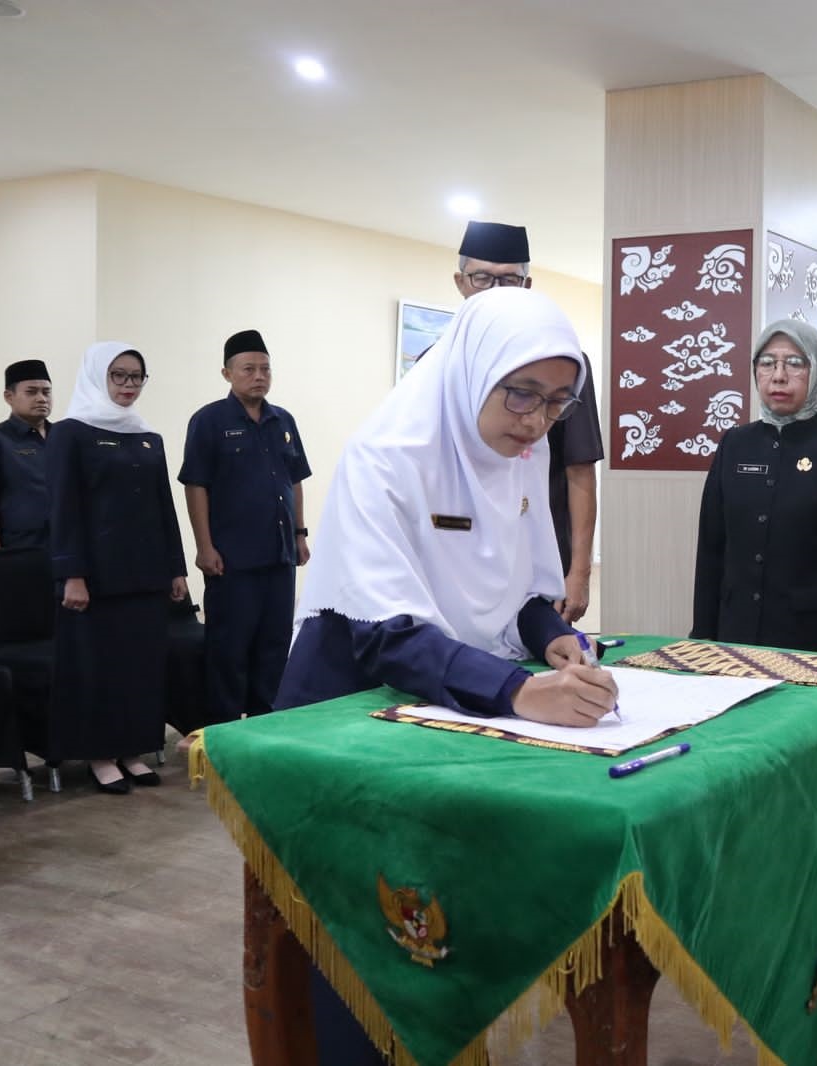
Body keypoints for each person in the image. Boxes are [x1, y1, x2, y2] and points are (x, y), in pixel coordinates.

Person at [275, 287, 615, 1065]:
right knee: (360, 918)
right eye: (521, 394)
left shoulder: (518, 458)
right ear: (471, 373)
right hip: (349, 709)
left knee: (437, 909)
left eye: (557, 403)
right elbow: (383, 633)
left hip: (446, 700)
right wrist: (521, 691)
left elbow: (524, 590)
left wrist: (555, 639)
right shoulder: (385, 456)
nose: (534, 421)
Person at [48, 343, 188, 793]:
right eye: (119, 376)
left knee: (141, 669)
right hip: (95, 578)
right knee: (98, 669)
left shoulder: (148, 436)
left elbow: (164, 507)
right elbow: (63, 507)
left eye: (136, 377)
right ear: (97, 377)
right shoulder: (70, 433)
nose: (128, 386)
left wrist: (176, 568)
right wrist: (72, 573)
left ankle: (133, 749)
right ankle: (100, 755)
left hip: (145, 575)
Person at [692, 320, 817, 655]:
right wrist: (703, 634)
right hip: (735, 634)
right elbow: (711, 547)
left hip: (814, 640)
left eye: (794, 363)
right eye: (767, 363)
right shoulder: (736, 443)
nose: (779, 376)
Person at [454, 220, 604, 624]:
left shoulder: (563, 362)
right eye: (482, 278)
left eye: (509, 280)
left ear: (527, 285)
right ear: (460, 282)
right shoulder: (439, 362)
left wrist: (579, 573)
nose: (496, 292)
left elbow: (580, 471)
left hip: (538, 559)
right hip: (457, 555)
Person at [179, 330, 311, 722]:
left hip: (279, 555)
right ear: (227, 373)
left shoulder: (282, 420)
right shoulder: (209, 421)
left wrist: (300, 533)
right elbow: (196, 485)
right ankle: (223, 731)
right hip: (232, 559)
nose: (259, 376)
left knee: (274, 646)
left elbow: (295, 480)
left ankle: (265, 726)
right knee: (230, 649)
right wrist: (204, 547)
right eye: (249, 369)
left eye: (265, 368)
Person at [0, 360, 54, 551]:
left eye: (46, 392)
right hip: (16, 549)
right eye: (31, 392)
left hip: (63, 550)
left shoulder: (64, 437)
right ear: (9, 397)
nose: (41, 399)